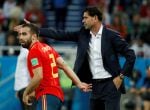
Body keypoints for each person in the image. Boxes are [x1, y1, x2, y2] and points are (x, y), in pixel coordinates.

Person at [15, 6, 136, 110]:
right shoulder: (83, 34)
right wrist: (35, 29)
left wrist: (121, 76)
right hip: (94, 86)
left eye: (85, 17)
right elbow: (60, 34)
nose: (83, 20)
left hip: (111, 83)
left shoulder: (111, 36)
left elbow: (131, 55)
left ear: (95, 18)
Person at [17, 23, 91, 110]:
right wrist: (78, 83)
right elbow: (64, 65)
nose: (20, 37)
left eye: (24, 34)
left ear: (34, 36)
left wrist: (26, 92)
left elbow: (38, 76)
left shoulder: (34, 50)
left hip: (46, 95)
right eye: (19, 34)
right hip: (56, 96)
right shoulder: (48, 48)